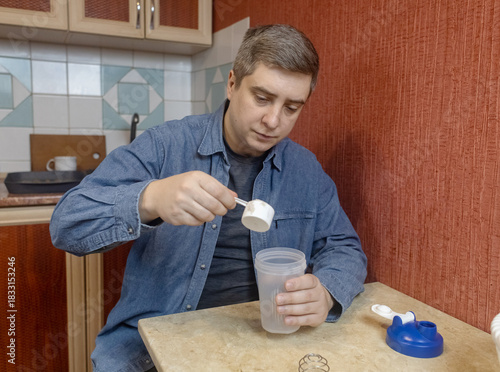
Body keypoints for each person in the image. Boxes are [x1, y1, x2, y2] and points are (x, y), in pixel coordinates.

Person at [50, 24, 367, 372]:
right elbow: (66, 224)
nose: (273, 120)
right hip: (148, 354)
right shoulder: (165, 145)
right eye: (262, 98)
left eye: (292, 107)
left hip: (261, 347)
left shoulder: (305, 171)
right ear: (232, 84)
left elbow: (344, 247)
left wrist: (326, 291)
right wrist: (151, 198)